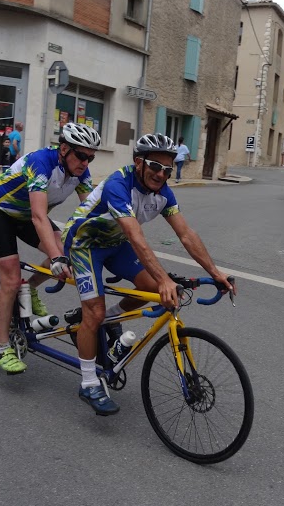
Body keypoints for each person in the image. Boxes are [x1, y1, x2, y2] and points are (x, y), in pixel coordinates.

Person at [63, 132, 235, 416]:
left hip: (116, 244)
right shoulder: (118, 183)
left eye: (167, 169)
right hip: (86, 244)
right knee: (94, 312)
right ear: (138, 162)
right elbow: (136, 235)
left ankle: (106, 318)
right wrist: (165, 279)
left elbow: (186, 235)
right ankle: (89, 381)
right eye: (155, 166)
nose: (161, 174)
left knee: (151, 291)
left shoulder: (163, 193)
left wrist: (215, 273)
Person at [0, 122, 101, 374]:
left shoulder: (80, 173)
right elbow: (38, 216)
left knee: (67, 250)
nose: (85, 163)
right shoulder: (41, 162)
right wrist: (55, 257)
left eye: (90, 157)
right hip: (0, 212)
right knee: (11, 279)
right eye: (81, 156)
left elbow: (92, 212)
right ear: (64, 149)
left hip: (25, 218)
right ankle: (3, 349)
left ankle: (31, 287)